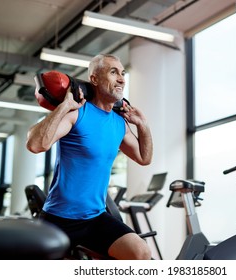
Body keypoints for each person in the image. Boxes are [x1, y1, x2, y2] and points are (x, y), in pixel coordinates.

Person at [26, 54, 153, 260]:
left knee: (140, 253)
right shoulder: (78, 113)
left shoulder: (119, 123)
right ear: (94, 79)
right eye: (113, 72)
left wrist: (143, 125)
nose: (121, 78)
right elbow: (35, 144)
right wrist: (65, 106)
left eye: (122, 73)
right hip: (58, 219)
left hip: (95, 218)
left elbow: (144, 157)